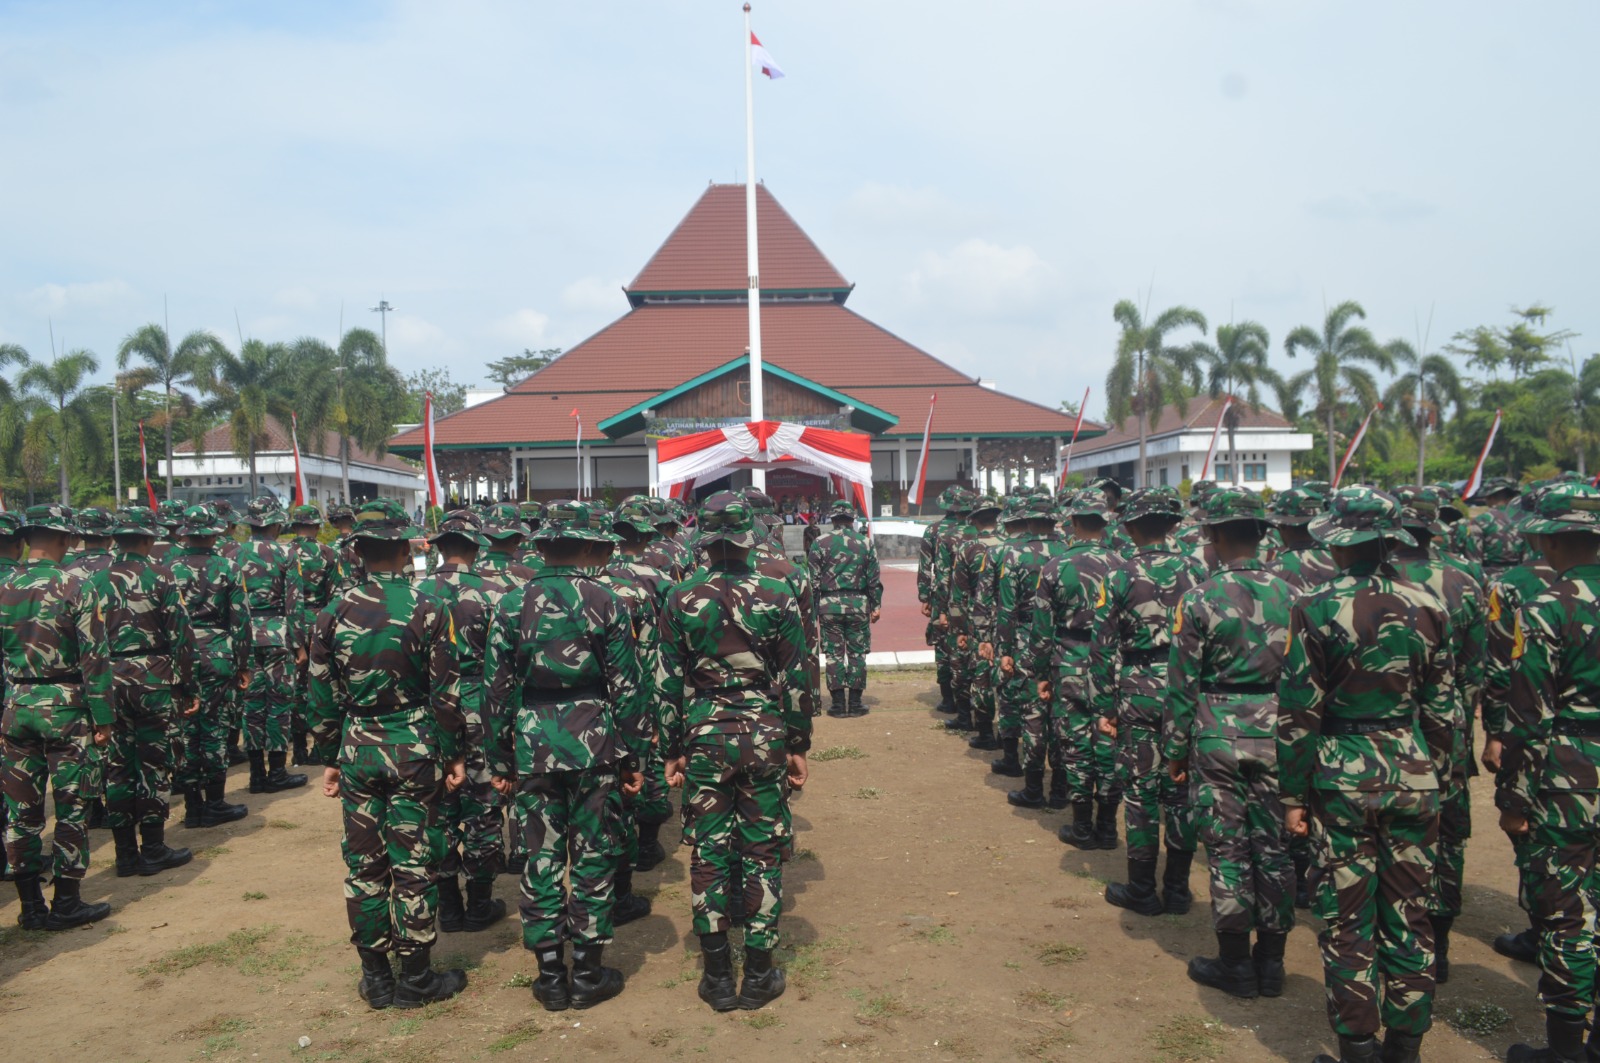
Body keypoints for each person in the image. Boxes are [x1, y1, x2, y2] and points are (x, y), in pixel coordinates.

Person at [1279, 488, 1456, 1063]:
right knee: (1410, 916)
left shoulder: (1314, 605)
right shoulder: (1429, 604)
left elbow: (1299, 711)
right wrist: (1438, 779)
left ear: (1337, 542)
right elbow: (1442, 710)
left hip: (1340, 775)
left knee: (1347, 919)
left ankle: (1357, 1046)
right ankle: (1404, 1049)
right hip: (1414, 773)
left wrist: (1292, 795)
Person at [308, 497, 469, 1011]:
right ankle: (416, 978)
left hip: (359, 748)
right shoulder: (429, 607)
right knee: (413, 861)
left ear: (357, 552)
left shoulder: (333, 612)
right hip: (415, 746)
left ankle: (376, 977)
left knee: (364, 864)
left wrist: (331, 753)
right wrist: (453, 756)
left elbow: (321, 693)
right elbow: (446, 693)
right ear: (404, 549)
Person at [486, 499, 646, 1012]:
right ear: (586, 546)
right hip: (594, 740)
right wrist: (632, 756)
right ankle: (590, 974)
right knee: (594, 855)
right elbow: (628, 685)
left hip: (532, 742)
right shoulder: (606, 600)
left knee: (541, 856)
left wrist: (501, 762)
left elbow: (495, 691)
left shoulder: (511, 603)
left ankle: (550, 974)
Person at [658, 491, 810, 1012]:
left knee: (708, 852)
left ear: (704, 537)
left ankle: (719, 976)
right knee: (762, 850)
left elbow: (667, 682)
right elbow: (796, 680)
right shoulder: (778, 591)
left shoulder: (680, 597)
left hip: (704, 732)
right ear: (749, 536)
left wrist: (671, 747)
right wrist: (798, 743)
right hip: (764, 732)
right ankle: (760, 974)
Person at [1162, 488, 1296, 1000]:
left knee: (1228, 850)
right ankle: (1273, 963)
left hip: (1217, 733)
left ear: (1214, 536)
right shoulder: (1292, 596)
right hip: (1278, 732)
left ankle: (1236, 965)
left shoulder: (1198, 598)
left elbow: (1182, 685)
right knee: (1276, 850)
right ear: (1261, 534)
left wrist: (1175, 750)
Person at [1500, 483, 1600, 1063]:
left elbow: (1527, 718)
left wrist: (1514, 800)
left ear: (1546, 536)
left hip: (1569, 778)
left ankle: (1564, 1052)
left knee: (1566, 913)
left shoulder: (1545, 607)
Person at [1093, 486, 1207, 917]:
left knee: (1141, 792)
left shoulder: (1120, 576)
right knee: (1180, 792)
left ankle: (1142, 889)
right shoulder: (1197, 570)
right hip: (1186, 686)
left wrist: (1104, 705)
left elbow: (1102, 648)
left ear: (1132, 527)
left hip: (1138, 687)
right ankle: (1177, 890)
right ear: (1173, 525)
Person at [2, 505, 115, 929]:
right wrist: (103, 717)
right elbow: (95, 657)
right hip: (67, 707)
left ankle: (30, 906)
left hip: (17, 707)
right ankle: (67, 902)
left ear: (28, 538)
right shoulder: (76, 584)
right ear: (66, 540)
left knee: (23, 812)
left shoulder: (5, 584)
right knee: (72, 806)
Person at [1391, 486, 1485, 983]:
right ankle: (1439, 946)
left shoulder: (1376, 583)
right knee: (1447, 833)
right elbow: (1475, 668)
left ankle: (1397, 937)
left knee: (1389, 835)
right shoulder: (1466, 582)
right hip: (1449, 727)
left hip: (1387, 731)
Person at [414, 509, 511, 935]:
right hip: (480, 704)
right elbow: (505, 666)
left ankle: (448, 906)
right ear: (476, 548)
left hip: (431, 707)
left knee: (437, 806)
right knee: (483, 805)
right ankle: (479, 904)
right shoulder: (494, 593)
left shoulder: (416, 592)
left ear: (438, 548)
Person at [90, 506, 199, 879]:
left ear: (115, 539)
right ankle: (152, 847)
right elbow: (182, 636)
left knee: (117, 768)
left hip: (111, 680)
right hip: (154, 679)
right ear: (150, 540)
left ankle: (124, 855)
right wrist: (188, 685)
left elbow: (87, 642)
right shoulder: (161, 576)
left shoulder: (95, 581)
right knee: (154, 764)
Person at [1479, 489, 1559, 966]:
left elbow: (1499, 671)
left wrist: (1494, 733)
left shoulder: (1512, 586)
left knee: (1535, 835)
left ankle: (1543, 925)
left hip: (1547, 736)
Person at [1029, 486, 1121, 849]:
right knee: (1110, 742)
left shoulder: (1054, 568)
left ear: (1073, 522)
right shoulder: (1123, 566)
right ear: (1105, 523)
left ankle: (1082, 827)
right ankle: (1109, 827)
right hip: (1111, 664)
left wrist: (1040, 673)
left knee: (1077, 744)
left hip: (1068, 662)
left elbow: (1041, 630)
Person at [167, 504, 251, 829]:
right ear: (215, 531)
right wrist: (244, 663)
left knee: (188, 730)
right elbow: (240, 619)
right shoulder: (228, 567)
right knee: (214, 729)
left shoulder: (168, 569)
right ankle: (214, 802)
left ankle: (192, 806)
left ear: (184, 532)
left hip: (181, 654)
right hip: (218, 652)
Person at [993, 491, 1071, 797]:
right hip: (1064, 640)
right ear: (1053, 519)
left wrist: (1004, 651)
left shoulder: (1015, 553)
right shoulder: (1067, 550)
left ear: (1025, 519)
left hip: (1027, 636)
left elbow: (1006, 609)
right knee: (1062, 714)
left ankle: (1034, 787)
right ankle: (1061, 787)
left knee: (1034, 714)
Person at [235, 497, 308, 794]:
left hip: (245, 638)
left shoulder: (233, 553)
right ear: (276, 524)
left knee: (251, 704)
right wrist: (300, 643)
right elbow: (295, 603)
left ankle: (255, 774)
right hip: (278, 634)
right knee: (278, 703)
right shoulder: (286, 553)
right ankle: (276, 771)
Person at [807, 499, 883, 717]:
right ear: (851, 519)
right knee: (857, 653)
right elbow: (873, 579)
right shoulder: (865, 543)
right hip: (858, 605)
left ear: (832, 519)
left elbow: (813, 581)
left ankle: (839, 704)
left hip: (828, 607)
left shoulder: (820, 543)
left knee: (834, 654)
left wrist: (812, 611)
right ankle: (856, 703)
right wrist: (875, 605)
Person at [943, 495, 1002, 738]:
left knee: (981, 677)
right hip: (1010, 621)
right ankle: (1007, 735)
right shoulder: (1008, 545)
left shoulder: (968, 547)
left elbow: (958, 595)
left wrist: (959, 630)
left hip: (977, 621)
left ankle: (984, 731)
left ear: (974, 519)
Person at [287, 504, 338, 766]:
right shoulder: (327, 553)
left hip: (290, 624)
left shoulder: (284, 552)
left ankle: (297, 749)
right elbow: (334, 597)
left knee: (295, 688)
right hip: (320, 621)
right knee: (320, 685)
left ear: (294, 526)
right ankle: (320, 747)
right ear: (317, 527)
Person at [919, 486, 970, 713]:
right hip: (975, 601)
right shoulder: (976, 531)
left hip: (945, 599)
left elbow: (926, 568)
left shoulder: (934, 530)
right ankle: (970, 700)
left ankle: (949, 698)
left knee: (943, 647)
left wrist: (925, 597)